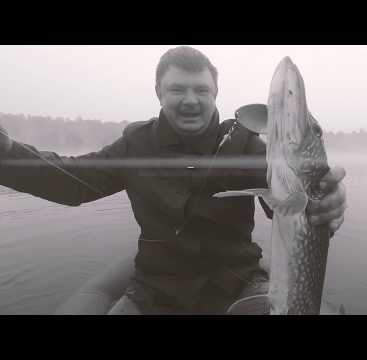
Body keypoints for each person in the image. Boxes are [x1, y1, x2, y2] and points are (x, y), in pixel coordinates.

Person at [0, 46, 347, 314]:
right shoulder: (135, 146)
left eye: (201, 90)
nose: (191, 100)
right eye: (178, 89)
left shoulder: (246, 145)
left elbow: (288, 202)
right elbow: (72, 181)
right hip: (154, 288)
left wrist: (327, 202)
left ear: (215, 93)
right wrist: (7, 153)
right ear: (159, 92)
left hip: (237, 283)